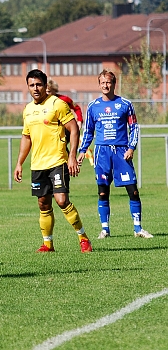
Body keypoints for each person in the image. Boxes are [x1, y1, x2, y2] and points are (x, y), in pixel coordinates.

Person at [14, 69, 92, 253]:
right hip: (37, 164)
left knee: (62, 200)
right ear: (27, 87)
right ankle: (48, 244)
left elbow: (74, 129)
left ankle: (83, 238)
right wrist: (19, 163)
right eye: (32, 85)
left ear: (45, 85)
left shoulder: (58, 104)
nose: (35, 88)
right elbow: (26, 137)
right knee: (43, 203)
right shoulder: (28, 110)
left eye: (39, 84)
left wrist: (72, 156)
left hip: (58, 161)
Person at [78, 70, 153, 239]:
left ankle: (138, 228)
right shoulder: (93, 106)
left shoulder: (125, 104)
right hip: (101, 153)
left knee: (133, 190)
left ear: (114, 84)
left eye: (109, 82)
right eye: (103, 82)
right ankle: (105, 229)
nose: (106, 85)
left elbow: (134, 127)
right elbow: (88, 131)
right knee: (103, 192)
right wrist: (82, 151)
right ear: (99, 85)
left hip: (121, 152)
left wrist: (131, 147)